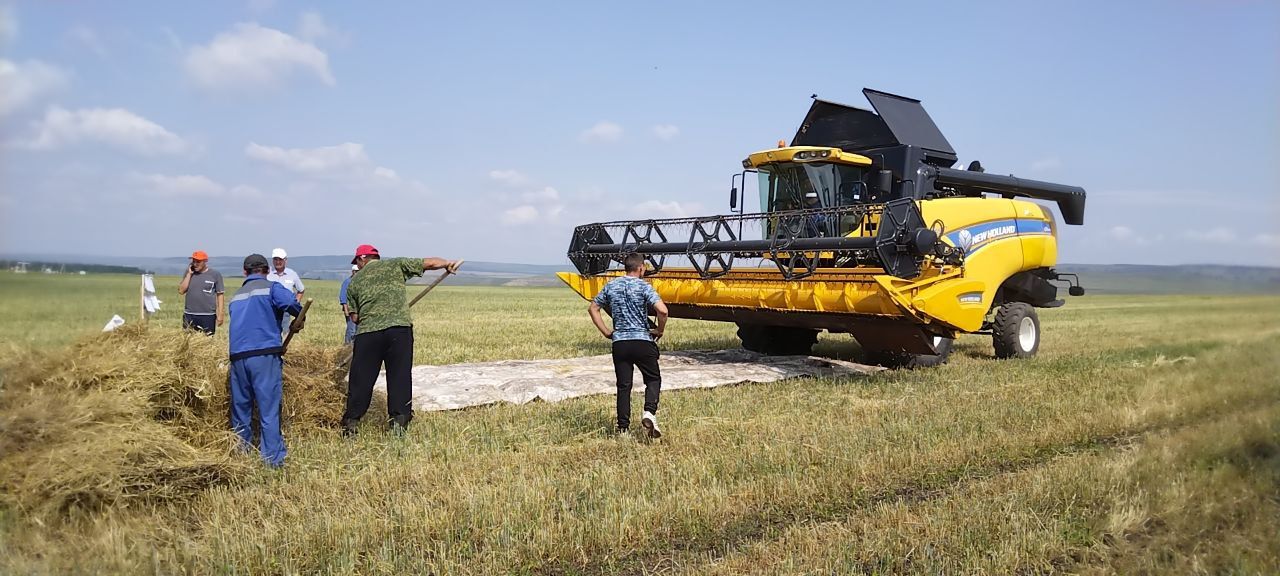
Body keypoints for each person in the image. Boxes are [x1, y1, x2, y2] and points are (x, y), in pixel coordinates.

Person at [342, 244, 461, 436]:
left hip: (369, 333)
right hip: (399, 330)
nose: (358, 265)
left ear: (362, 259)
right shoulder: (395, 265)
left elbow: (355, 318)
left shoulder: (354, 282)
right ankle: (399, 424)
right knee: (399, 377)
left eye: (357, 261)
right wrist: (447, 264)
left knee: (361, 379)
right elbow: (429, 263)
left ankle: (351, 422)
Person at [227, 253, 304, 467]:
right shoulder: (271, 288)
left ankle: (240, 454)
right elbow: (291, 303)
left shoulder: (236, 296)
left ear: (245, 272)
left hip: (237, 357)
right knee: (268, 407)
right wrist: (299, 318)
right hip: (264, 354)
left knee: (241, 408)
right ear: (267, 270)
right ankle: (273, 459)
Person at [588, 252, 669, 438]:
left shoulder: (611, 285)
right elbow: (663, 311)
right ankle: (649, 412)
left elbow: (593, 308)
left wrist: (606, 332)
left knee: (624, 386)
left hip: (620, 343)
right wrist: (660, 330)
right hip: (642, 341)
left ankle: (623, 429)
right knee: (653, 379)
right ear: (641, 268)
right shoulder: (643, 286)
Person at [177, 250, 224, 335]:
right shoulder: (189, 273)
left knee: (207, 341)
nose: (195, 264)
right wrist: (189, 274)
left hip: (208, 315)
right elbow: (181, 291)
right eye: (194, 261)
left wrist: (220, 314)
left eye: (198, 262)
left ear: (205, 261)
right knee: (187, 341)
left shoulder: (215, 274)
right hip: (189, 314)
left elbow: (220, 294)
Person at [266, 247, 306, 335]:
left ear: (285, 260)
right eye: (275, 259)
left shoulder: (292, 274)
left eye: (280, 259)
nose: (278, 262)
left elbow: (301, 290)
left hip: (285, 310)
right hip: (270, 310)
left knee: (284, 332)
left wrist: (296, 303)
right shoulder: (267, 274)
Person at [339, 264, 359, 345]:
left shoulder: (360, 282)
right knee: (351, 330)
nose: (358, 273)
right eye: (357, 271)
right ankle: (347, 346)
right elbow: (343, 297)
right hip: (350, 309)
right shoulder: (347, 282)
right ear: (353, 272)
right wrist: (346, 310)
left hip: (359, 309)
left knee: (358, 330)